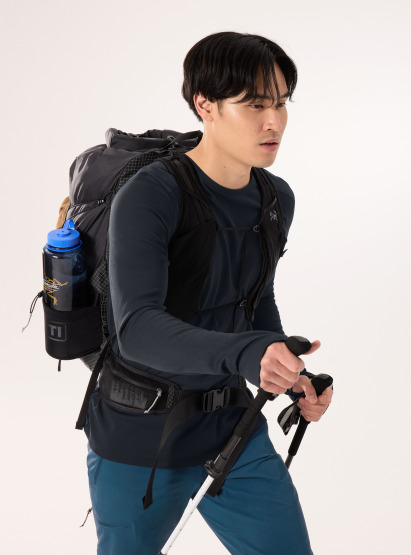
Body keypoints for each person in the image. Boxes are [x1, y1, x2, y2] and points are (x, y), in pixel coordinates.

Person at [84, 31, 333, 555]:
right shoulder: (151, 194)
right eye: (255, 104)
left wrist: (290, 374)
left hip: (233, 430)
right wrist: (248, 353)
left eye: (281, 103)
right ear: (206, 105)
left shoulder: (275, 198)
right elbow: (138, 330)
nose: (274, 122)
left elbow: (254, 302)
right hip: (140, 438)